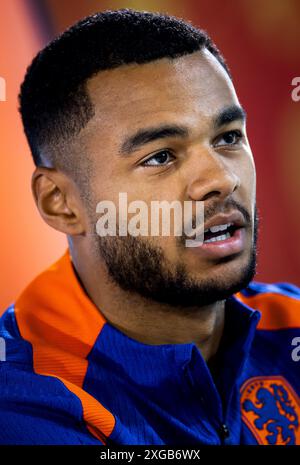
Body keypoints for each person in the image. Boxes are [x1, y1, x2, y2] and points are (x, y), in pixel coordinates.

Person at [0, 9, 299, 446]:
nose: (220, 180)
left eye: (228, 137)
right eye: (160, 156)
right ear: (60, 203)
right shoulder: (22, 401)